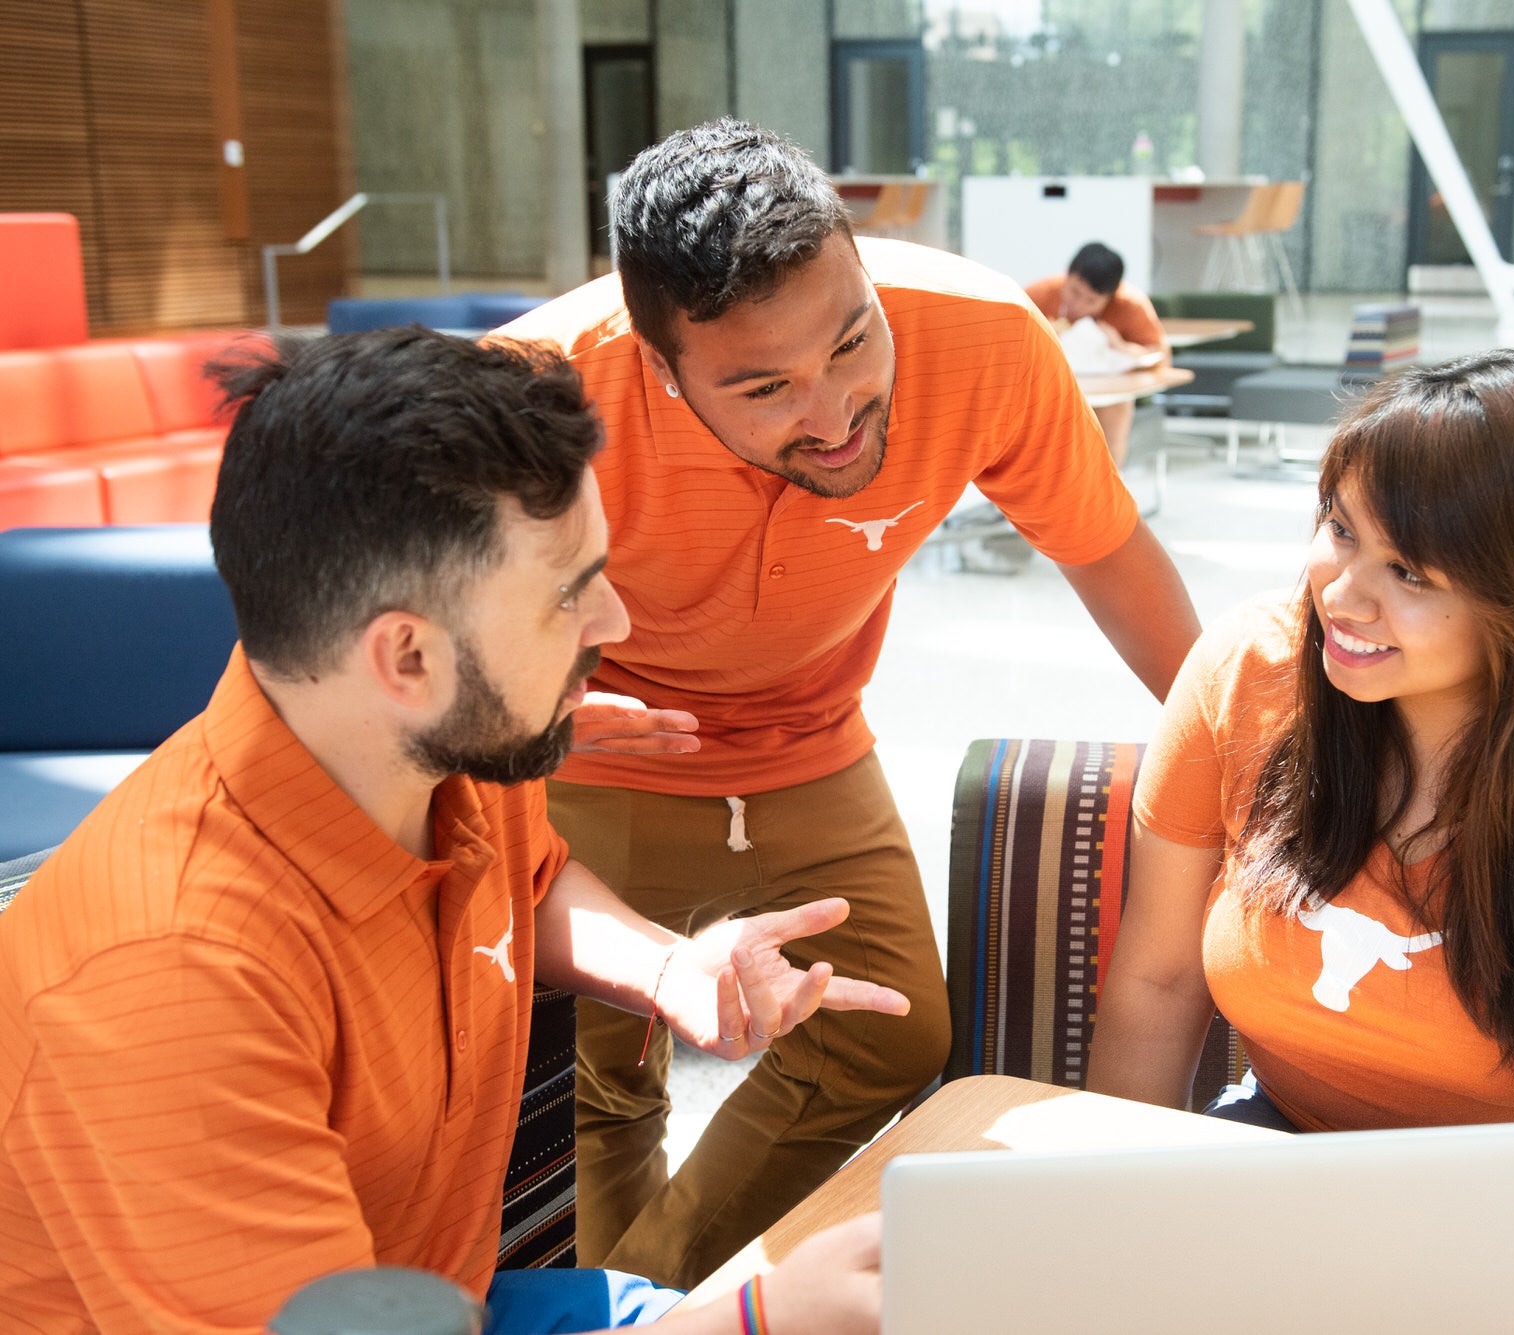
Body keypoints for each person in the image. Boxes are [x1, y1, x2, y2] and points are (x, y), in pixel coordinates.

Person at [0, 329, 906, 1335]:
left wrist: (664, 968)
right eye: (568, 594)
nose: (613, 623)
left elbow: (525, 883)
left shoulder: (437, 747)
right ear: (407, 658)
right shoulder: (172, 982)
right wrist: (757, 1320)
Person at [495, 117, 1203, 1288]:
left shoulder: (983, 339)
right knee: (602, 1083)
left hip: (812, 737)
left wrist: (1257, 757)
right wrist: (531, 723)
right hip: (600, 750)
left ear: (864, 273)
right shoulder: (535, 391)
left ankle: (657, 1305)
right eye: (763, 387)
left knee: (892, 1035)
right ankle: (625, 1306)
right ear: (658, 369)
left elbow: (1110, 557)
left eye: (851, 341)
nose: (831, 413)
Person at [1085, 349, 1514, 1232]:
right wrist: (1108, 1216)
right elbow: (1158, 981)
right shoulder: (1247, 669)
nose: (1342, 596)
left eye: (1408, 572)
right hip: (1297, 1142)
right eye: (1341, 530)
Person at [1022, 241, 1171, 468]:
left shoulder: (1130, 304)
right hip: (1050, 386)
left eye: (1091, 301)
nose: (1078, 305)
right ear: (1067, 275)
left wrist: (1120, 345)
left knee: (1116, 406)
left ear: (1110, 297)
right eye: (1074, 292)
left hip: (1108, 391)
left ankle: (1107, 481)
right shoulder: (1040, 294)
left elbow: (1160, 355)